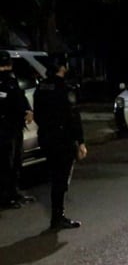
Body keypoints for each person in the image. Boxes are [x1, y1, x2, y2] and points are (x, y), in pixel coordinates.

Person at [33, 53, 87, 230]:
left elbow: (38, 114)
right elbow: (73, 117)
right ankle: (58, 217)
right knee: (61, 179)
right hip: (63, 139)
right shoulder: (65, 88)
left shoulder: (41, 87)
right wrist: (80, 141)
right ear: (62, 67)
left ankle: (57, 216)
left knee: (55, 175)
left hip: (47, 138)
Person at [0, 50, 35, 209]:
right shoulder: (4, 81)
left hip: (15, 126)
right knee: (6, 164)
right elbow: (7, 102)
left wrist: (27, 110)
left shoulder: (11, 79)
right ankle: (6, 198)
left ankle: (14, 192)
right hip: (4, 128)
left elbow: (19, 97)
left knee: (15, 162)